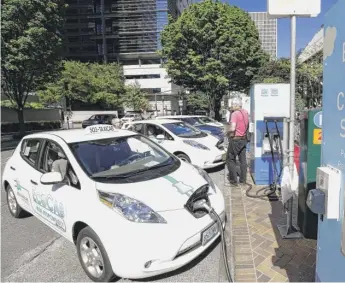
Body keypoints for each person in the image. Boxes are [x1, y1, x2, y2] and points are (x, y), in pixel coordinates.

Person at [227, 97, 249, 186]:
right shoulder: (245, 112)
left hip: (236, 139)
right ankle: (243, 180)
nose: (231, 106)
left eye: (232, 104)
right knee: (242, 160)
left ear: (236, 105)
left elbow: (232, 128)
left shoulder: (235, 114)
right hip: (243, 139)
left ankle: (233, 180)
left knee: (230, 159)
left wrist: (226, 132)